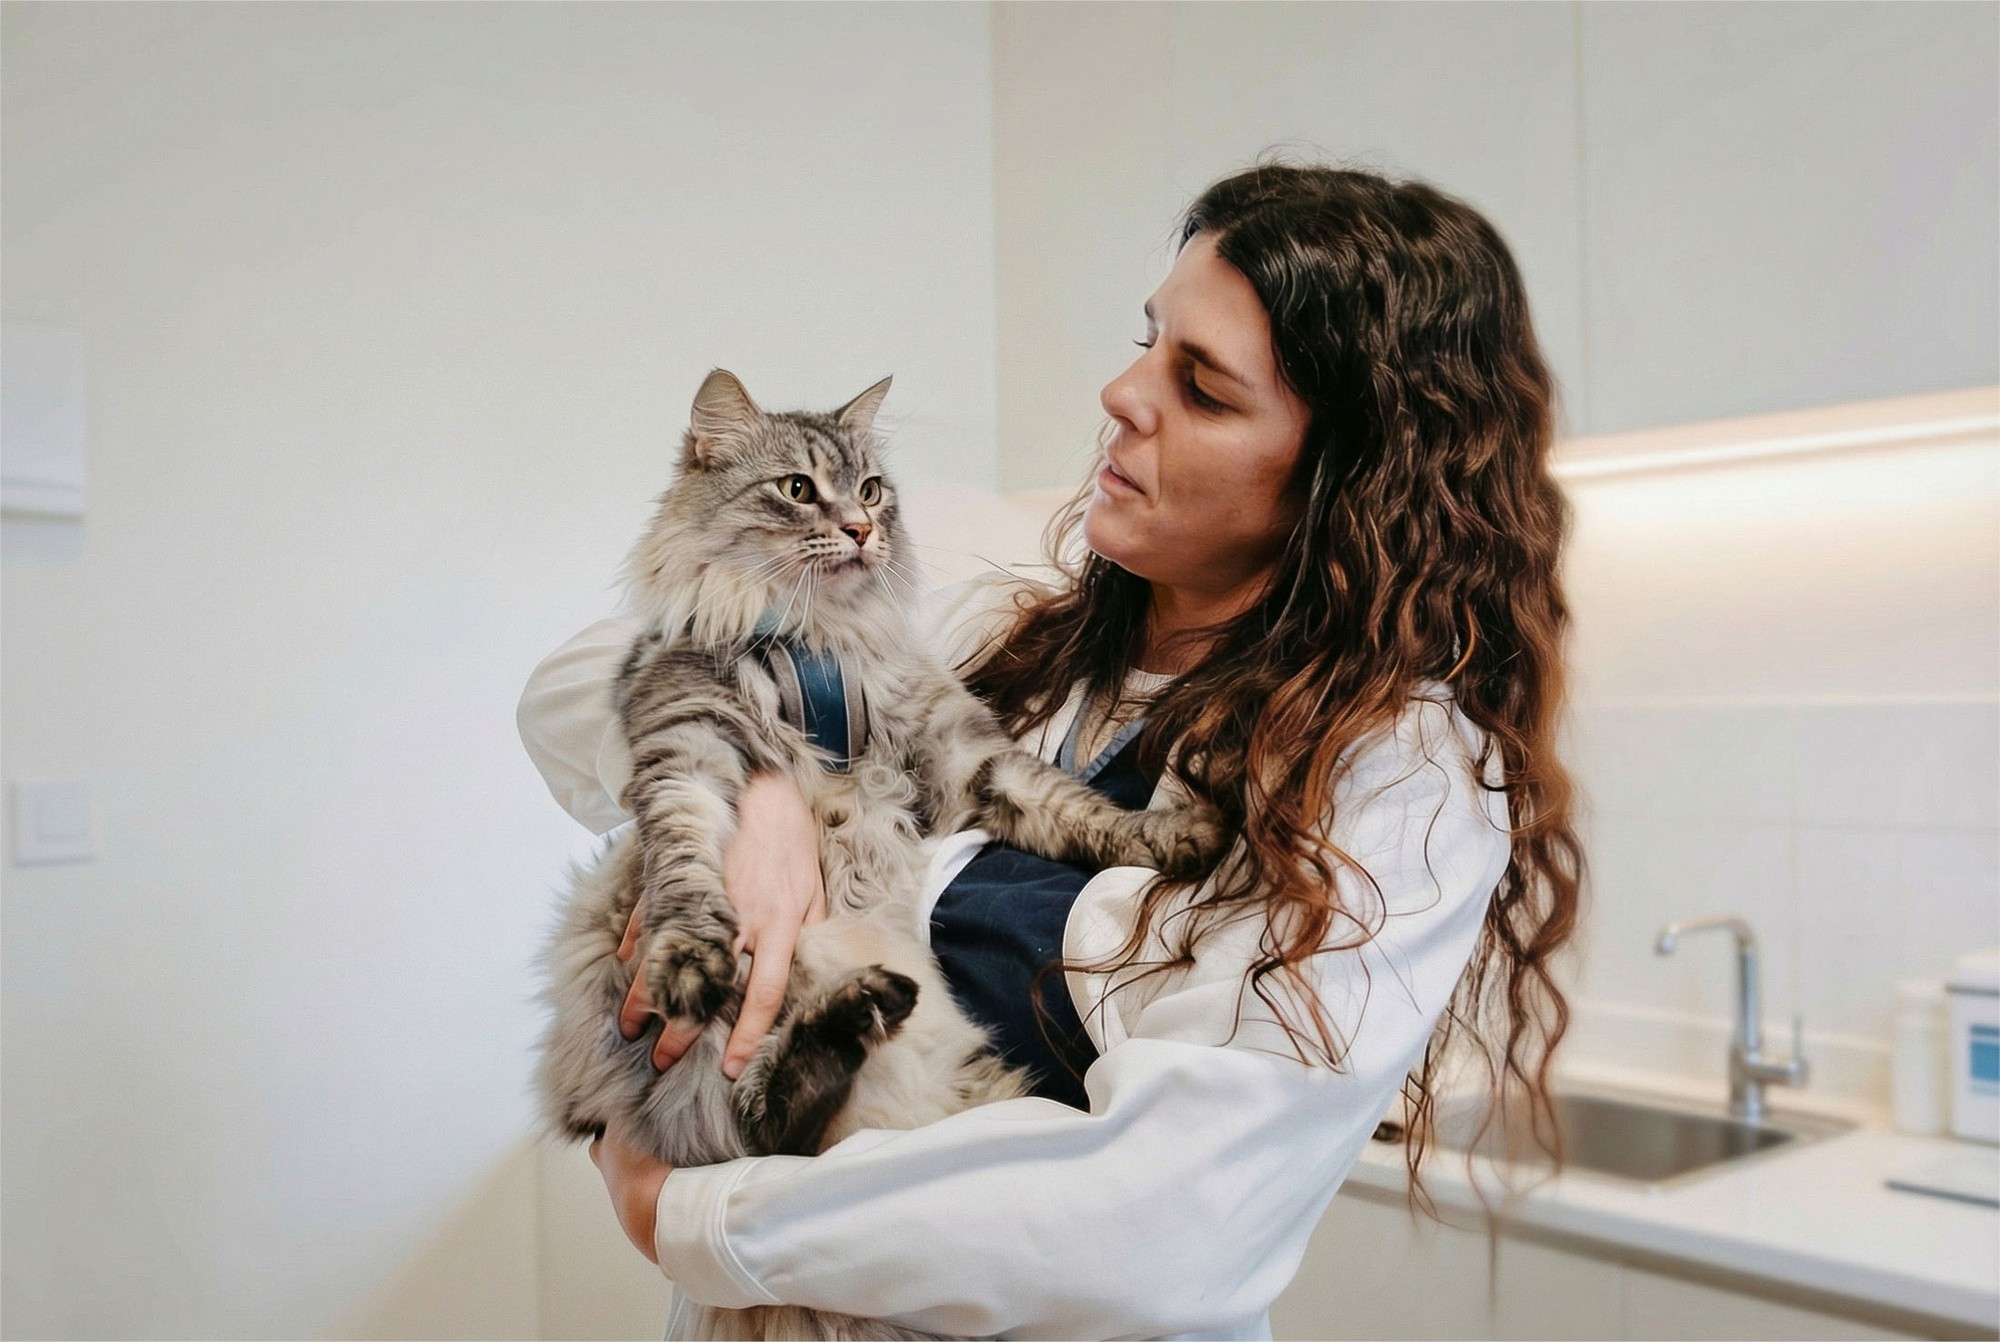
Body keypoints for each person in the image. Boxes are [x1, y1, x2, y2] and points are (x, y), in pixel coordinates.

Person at [517, 161, 1583, 1340]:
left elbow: (1163, 1225)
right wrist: (763, 792)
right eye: (1146, 340)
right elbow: (575, 679)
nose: (1121, 393)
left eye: (1203, 389)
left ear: (1342, 478)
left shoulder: (1400, 774)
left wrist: (692, 1218)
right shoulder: (999, 626)